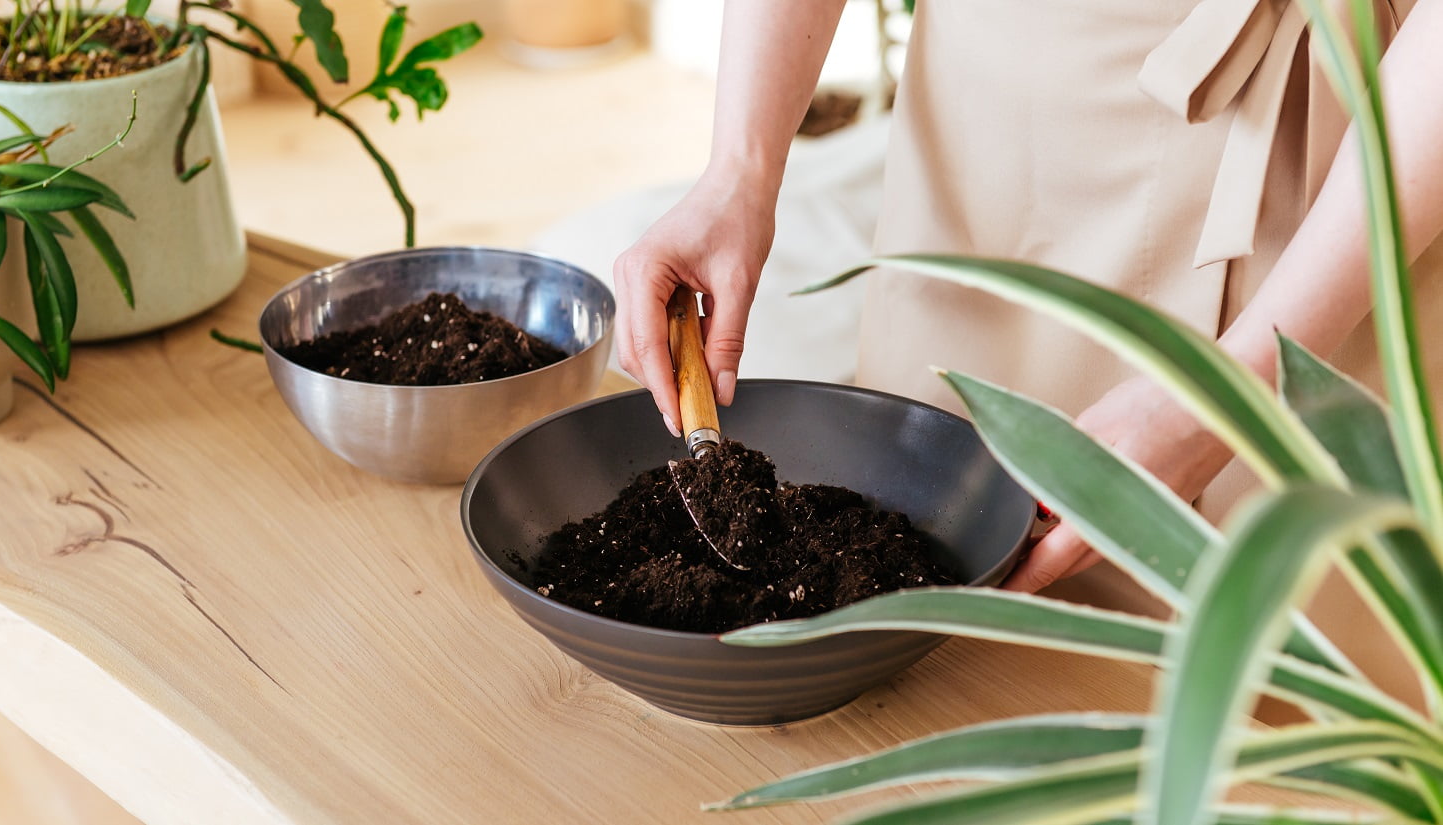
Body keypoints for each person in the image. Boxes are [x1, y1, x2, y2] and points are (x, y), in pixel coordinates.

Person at [613, 1, 1443, 702]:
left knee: (1258, 728)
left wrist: (1243, 386)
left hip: (1341, 219)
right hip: (990, 161)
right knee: (921, 676)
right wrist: (740, 172)